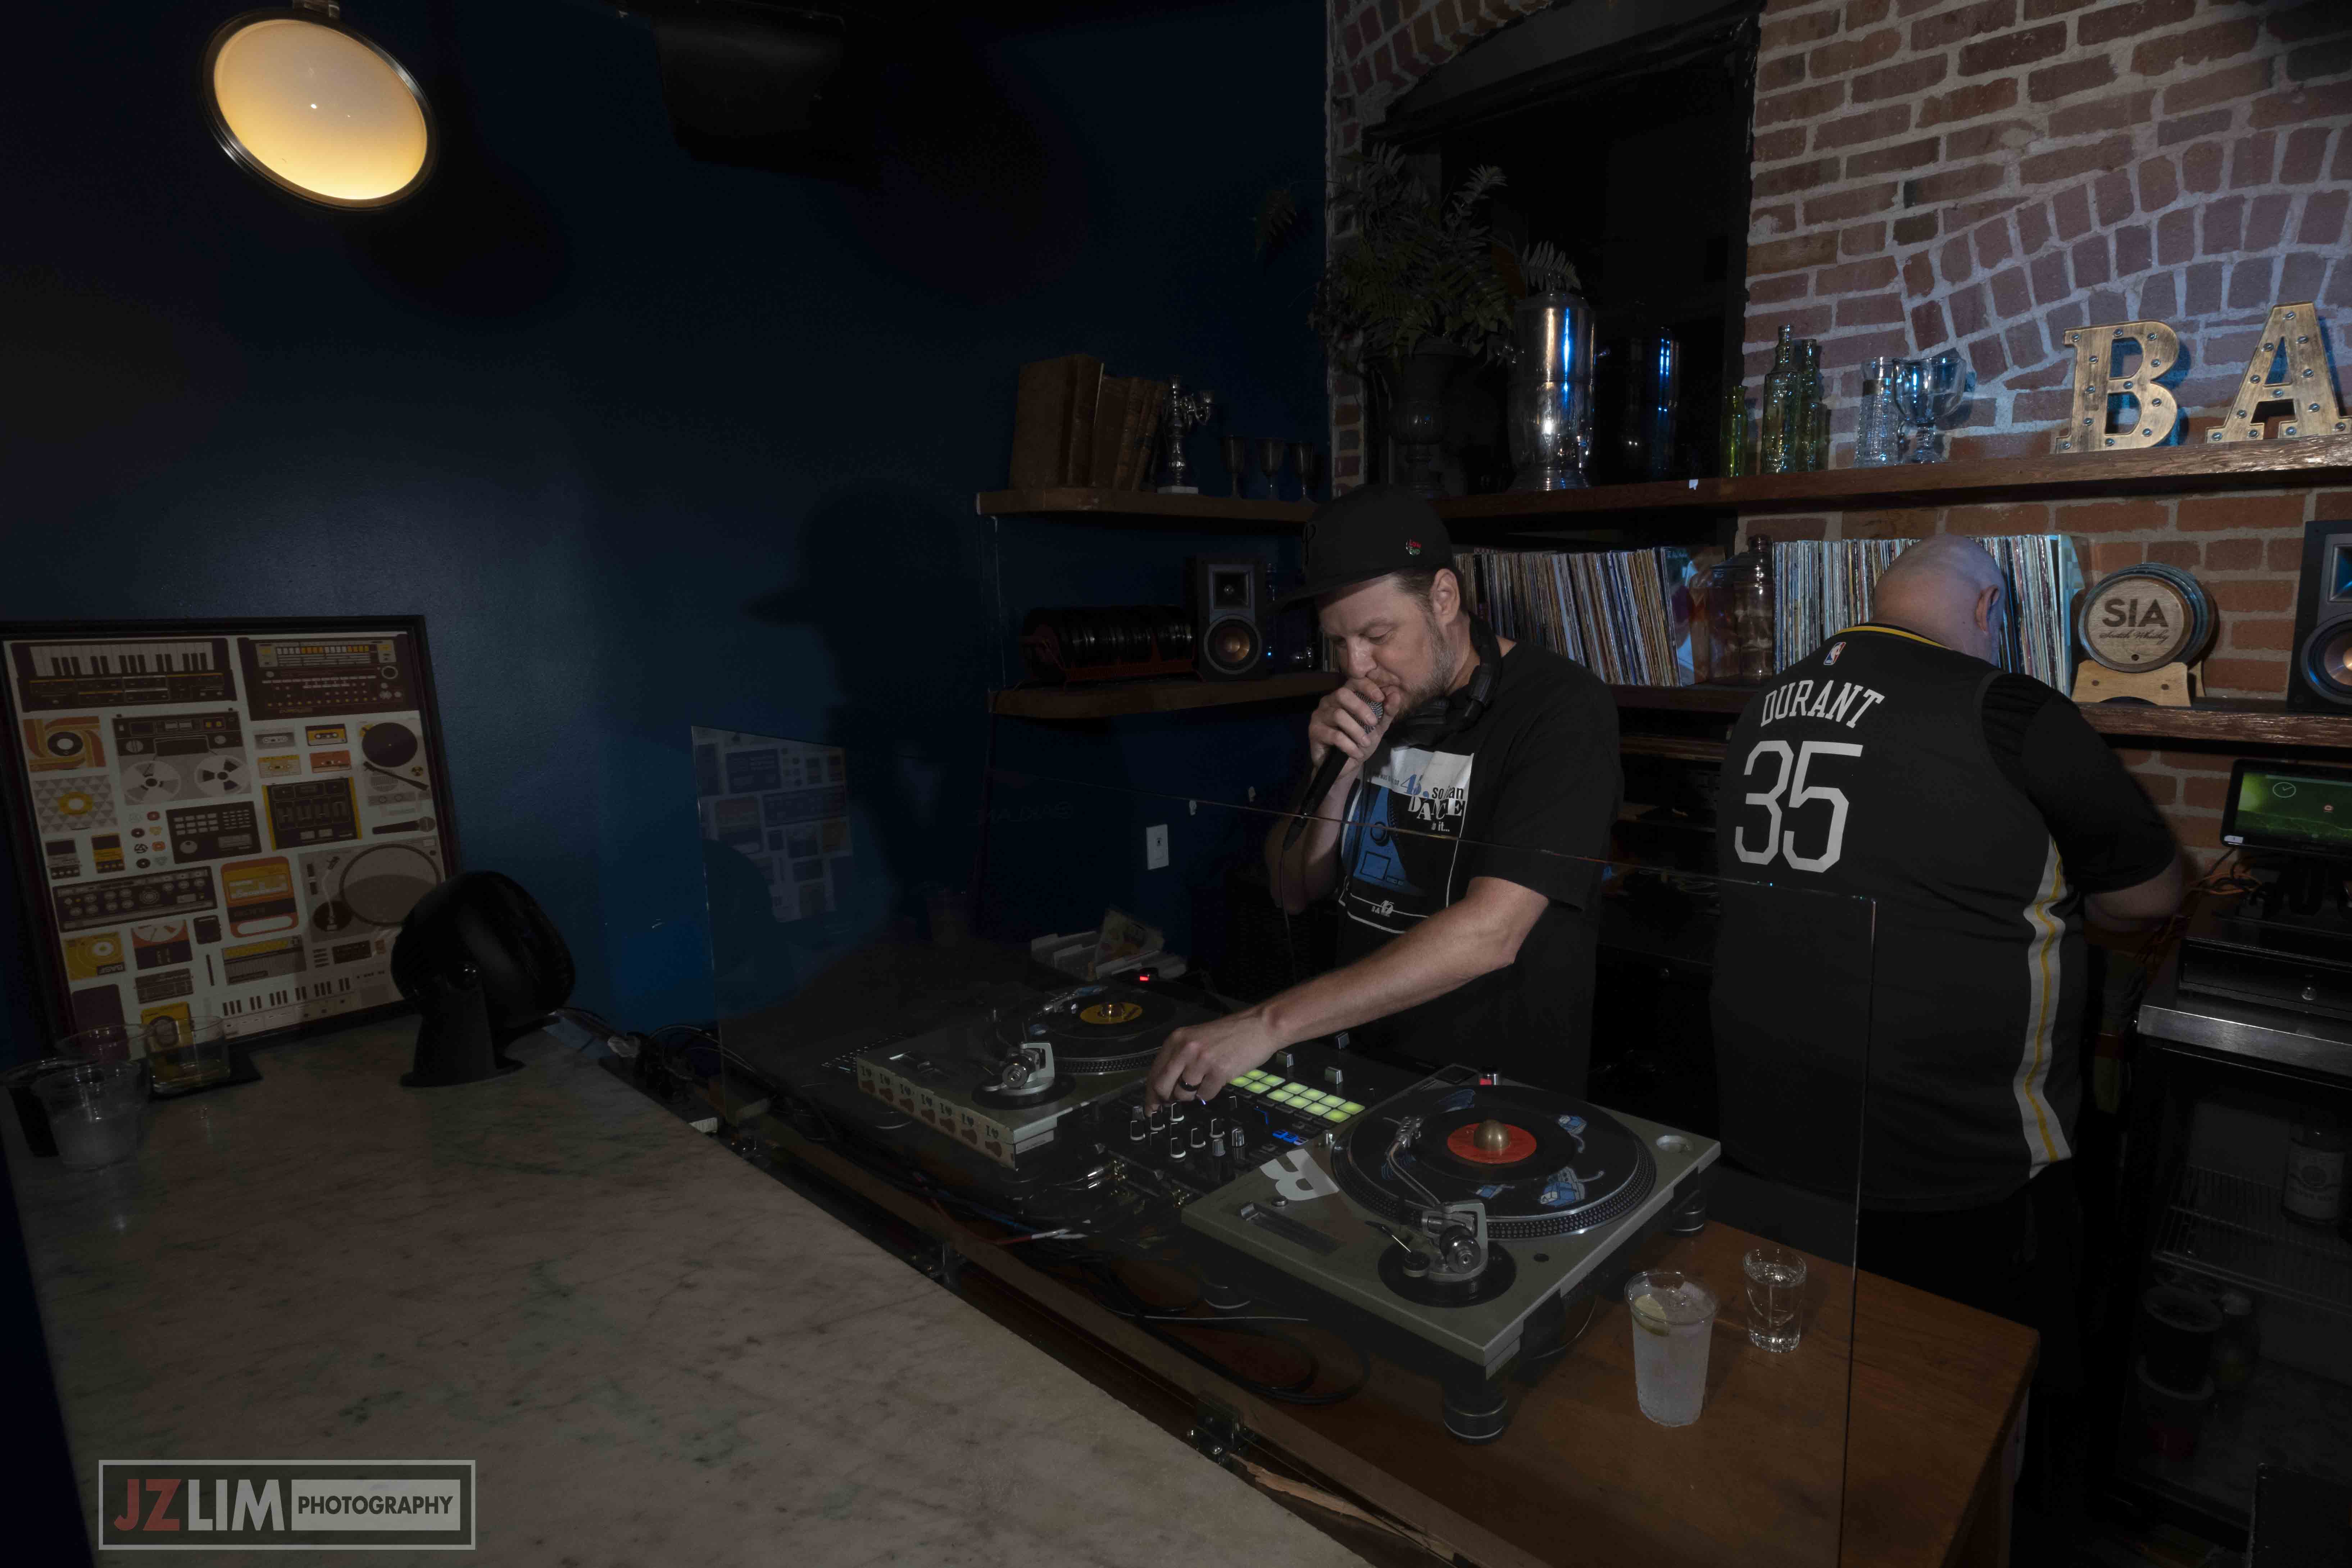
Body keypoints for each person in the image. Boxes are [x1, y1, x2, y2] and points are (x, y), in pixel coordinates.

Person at [1710, 533, 2181, 1397]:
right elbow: (2149, 895)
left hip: (1766, 1127)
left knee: (1798, 1388)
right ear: (1986, 607)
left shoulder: (1761, 702)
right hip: (1953, 1161)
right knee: (1963, 1403)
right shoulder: (2007, 708)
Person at [1144, 486, 1621, 1109]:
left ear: (1443, 598)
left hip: (1499, 1097)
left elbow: (1492, 933)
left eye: (1376, 634)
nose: (1357, 665)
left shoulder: (1561, 709)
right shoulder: (1375, 700)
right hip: (1367, 1069)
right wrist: (1334, 775)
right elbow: (1291, 889)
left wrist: (1269, 1024)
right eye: (1338, 643)